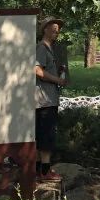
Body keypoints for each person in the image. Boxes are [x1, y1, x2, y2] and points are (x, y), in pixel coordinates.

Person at [34, 15, 67, 181]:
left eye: (58, 28)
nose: (57, 30)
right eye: (53, 27)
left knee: (42, 135)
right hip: (44, 100)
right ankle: (45, 171)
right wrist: (57, 80)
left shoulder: (49, 49)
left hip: (48, 99)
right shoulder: (41, 48)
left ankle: (38, 169)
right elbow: (37, 70)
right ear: (45, 29)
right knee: (46, 135)